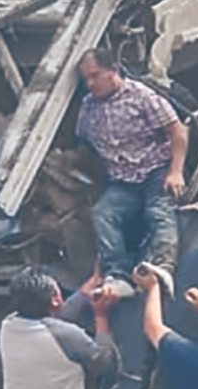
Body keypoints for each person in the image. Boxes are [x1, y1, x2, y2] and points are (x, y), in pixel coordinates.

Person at [76, 48, 189, 298]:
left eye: (95, 75)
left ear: (113, 70)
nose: (90, 83)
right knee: (103, 214)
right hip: (122, 181)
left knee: (158, 211)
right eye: (86, 79)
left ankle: (162, 268)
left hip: (155, 171)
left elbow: (178, 131)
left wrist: (176, 172)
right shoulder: (88, 107)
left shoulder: (141, 96)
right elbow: (85, 146)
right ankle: (118, 274)